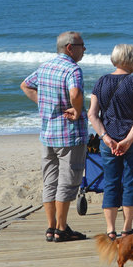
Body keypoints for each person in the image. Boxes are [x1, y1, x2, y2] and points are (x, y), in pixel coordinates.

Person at [20, 31, 89, 243]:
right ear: (70, 47)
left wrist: (45, 103)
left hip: (47, 133)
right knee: (67, 181)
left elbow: (25, 85)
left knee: (50, 181)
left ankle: (51, 227)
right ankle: (61, 228)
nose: (84, 49)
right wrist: (77, 110)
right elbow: (75, 93)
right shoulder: (72, 69)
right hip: (69, 134)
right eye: (81, 45)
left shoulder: (45, 67)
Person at [87, 44, 133, 240]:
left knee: (111, 182)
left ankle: (110, 229)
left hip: (109, 140)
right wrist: (128, 140)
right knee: (131, 182)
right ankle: (127, 229)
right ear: (127, 60)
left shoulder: (101, 82)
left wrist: (105, 138)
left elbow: (92, 114)